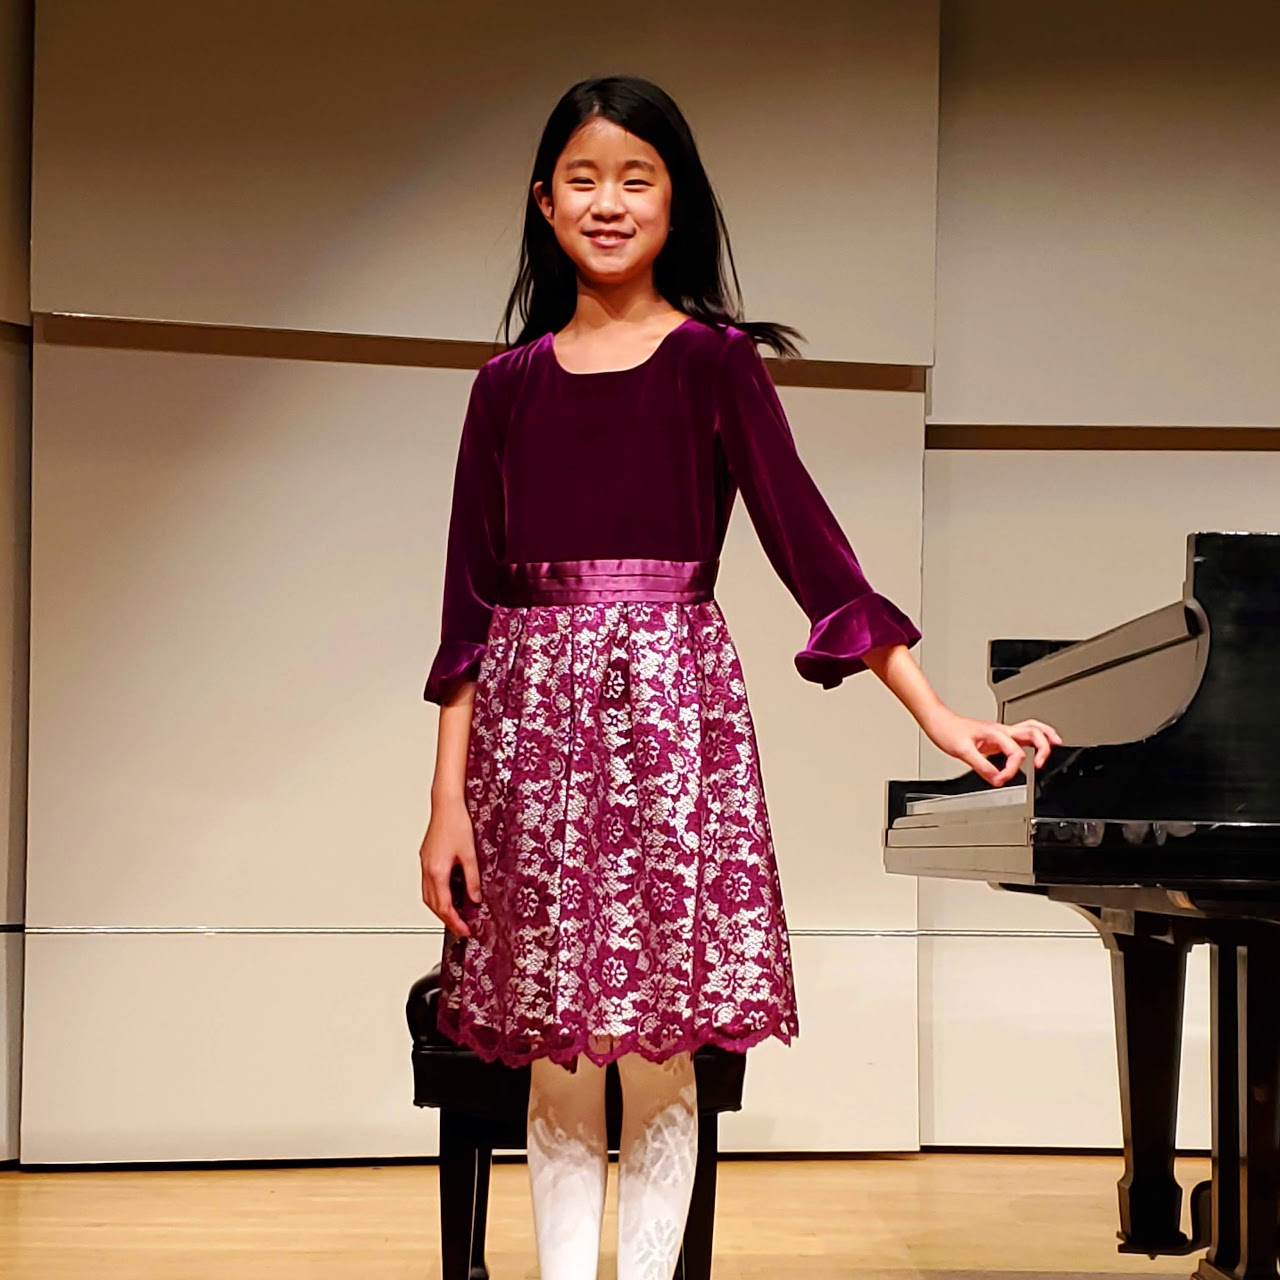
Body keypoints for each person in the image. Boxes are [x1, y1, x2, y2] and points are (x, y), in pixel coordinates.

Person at [418, 74, 1061, 1280]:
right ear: (542, 200)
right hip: (528, 736)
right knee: (561, 1049)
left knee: (657, 1047)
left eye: (636, 178)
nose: (607, 203)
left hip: (673, 727)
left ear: (675, 202)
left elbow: (815, 550)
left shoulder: (712, 363)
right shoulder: (501, 389)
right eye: (582, 178)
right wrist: (444, 804)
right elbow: (468, 612)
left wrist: (936, 714)